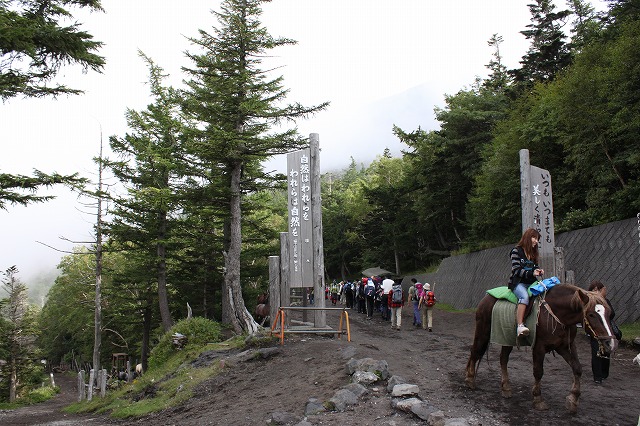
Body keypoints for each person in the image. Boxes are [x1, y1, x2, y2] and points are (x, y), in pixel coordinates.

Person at [508, 228, 545, 337]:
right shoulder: (516, 251)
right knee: (524, 297)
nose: (536, 241)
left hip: (532, 283)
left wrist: (538, 271)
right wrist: (532, 273)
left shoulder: (533, 253)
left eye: (537, 239)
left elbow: (535, 267)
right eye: (534, 238)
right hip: (518, 283)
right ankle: (520, 326)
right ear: (527, 237)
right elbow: (516, 270)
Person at [587, 280, 620, 384]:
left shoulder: (605, 300)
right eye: (593, 290)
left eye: (597, 290)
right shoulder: (589, 302)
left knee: (606, 351)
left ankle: (604, 373)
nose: (595, 292)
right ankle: (597, 377)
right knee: (596, 352)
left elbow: (612, 313)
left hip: (606, 330)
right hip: (595, 331)